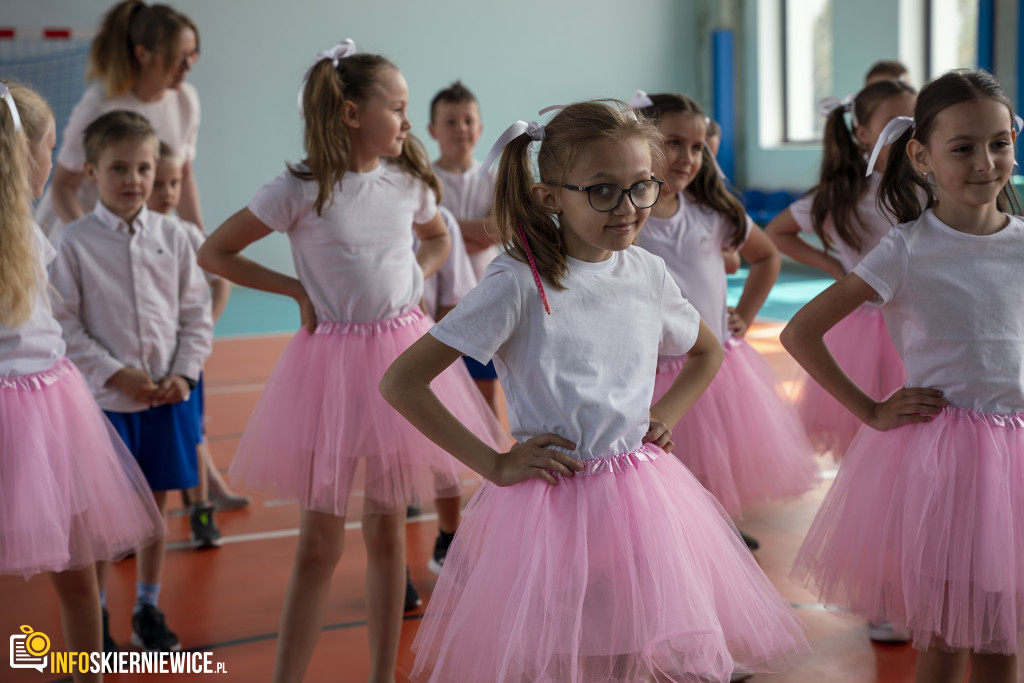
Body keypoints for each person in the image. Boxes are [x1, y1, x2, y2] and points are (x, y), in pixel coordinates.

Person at [382, 100, 810, 683]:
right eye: (603, 190)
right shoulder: (517, 281)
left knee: (637, 647)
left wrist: (663, 415)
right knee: (569, 655)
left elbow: (707, 350)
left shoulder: (646, 271)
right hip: (552, 504)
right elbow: (402, 381)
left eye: (642, 188)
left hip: (639, 495)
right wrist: (494, 464)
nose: (629, 208)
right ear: (549, 196)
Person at [197, 41, 505, 683]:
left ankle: (378, 674)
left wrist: (416, 278)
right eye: (396, 107)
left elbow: (439, 235)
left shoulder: (408, 183)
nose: (408, 120)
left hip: (401, 355)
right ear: (350, 114)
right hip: (330, 368)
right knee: (319, 541)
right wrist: (296, 290)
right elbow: (216, 251)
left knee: (389, 533)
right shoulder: (297, 190)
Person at [783, 69, 1024, 683]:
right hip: (946, 460)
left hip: (1014, 459)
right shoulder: (907, 248)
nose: (985, 162)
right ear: (921, 155)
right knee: (943, 643)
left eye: (1000, 143)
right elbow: (799, 332)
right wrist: (870, 409)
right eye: (963, 147)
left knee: (1003, 644)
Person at [0, 80, 165, 681]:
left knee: (78, 575)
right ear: (28, 155)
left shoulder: (29, 226)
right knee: (75, 579)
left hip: (49, 404)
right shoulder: (23, 227)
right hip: (37, 412)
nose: (55, 163)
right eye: (50, 148)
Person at [49, 110, 213, 653]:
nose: (134, 180)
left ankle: (146, 605)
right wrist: (116, 373)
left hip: (167, 400)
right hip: (103, 405)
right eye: (118, 168)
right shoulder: (71, 244)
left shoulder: (178, 236)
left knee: (154, 511)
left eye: (143, 168)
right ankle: (94, 614)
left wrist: (183, 374)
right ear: (91, 171)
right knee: (97, 522)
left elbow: (197, 315)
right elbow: (65, 325)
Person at [634, 93, 817, 547]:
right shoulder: (626, 217)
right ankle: (672, 537)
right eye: (674, 143)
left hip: (713, 362)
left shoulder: (712, 214)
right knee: (666, 460)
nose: (688, 158)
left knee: (715, 457)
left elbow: (767, 256)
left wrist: (745, 317)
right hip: (651, 369)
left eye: (698, 148)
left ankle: (715, 528)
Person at [766, 80, 916, 464]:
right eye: (895, 124)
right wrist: (833, 266)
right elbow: (777, 232)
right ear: (863, 134)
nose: (907, 135)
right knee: (867, 440)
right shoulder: (841, 195)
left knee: (919, 422)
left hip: (919, 321)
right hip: (864, 326)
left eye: (917, 123)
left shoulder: (929, 188)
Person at [35, 0, 201, 241]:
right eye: (179, 56)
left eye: (193, 54)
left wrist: (205, 248)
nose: (188, 65)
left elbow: (183, 178)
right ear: (143, 54)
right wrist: (92, 242)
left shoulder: (187, 101)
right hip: (77, 229)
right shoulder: (101, 106)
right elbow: (62, 187)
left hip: (126, 234)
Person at [147, 142, 245, 549]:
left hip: (182, 362)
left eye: (175, 183)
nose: (169, 193)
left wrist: (203, 330)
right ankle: (139, 525)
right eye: (159, 183)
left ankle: (202, 509)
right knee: (143, 446)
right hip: (140, 364)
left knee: (193, 436)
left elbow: (221, 281)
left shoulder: (185, 235)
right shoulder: (118, 240)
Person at [427, 81, 503, 415]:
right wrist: (471, 231)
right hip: (437, 304)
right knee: (438, 395)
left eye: (468, 121)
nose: (461, 129)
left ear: (480, 128)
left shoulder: (492, 177)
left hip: (484, 300)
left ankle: (489, 461)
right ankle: (442, 468)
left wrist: (443, 229)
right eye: (451, 121)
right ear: (433, 130)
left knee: (485, 395)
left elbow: (497, 231)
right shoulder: (423, 180)